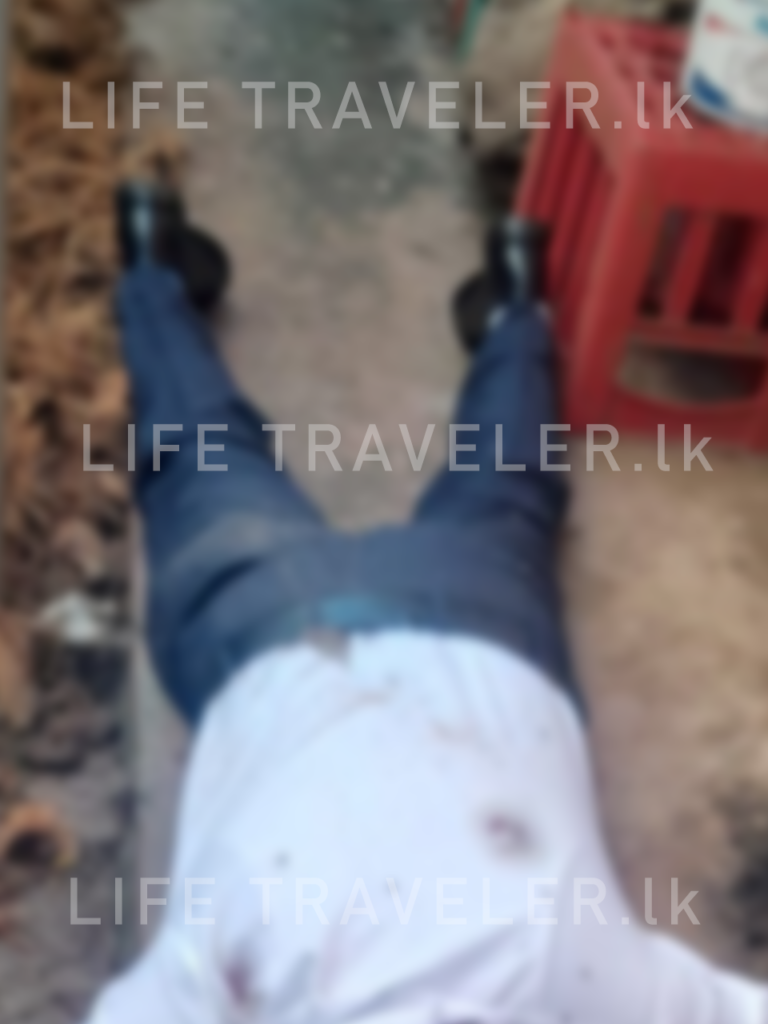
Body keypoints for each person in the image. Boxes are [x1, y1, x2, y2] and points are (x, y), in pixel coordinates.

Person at [84, 182, 767, 1024]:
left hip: (475, 617)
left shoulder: (581, 979)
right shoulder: (242, 967)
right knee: (199, 456)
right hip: (274, 625)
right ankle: (151, 265)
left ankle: (518, 309)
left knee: (505, 484)